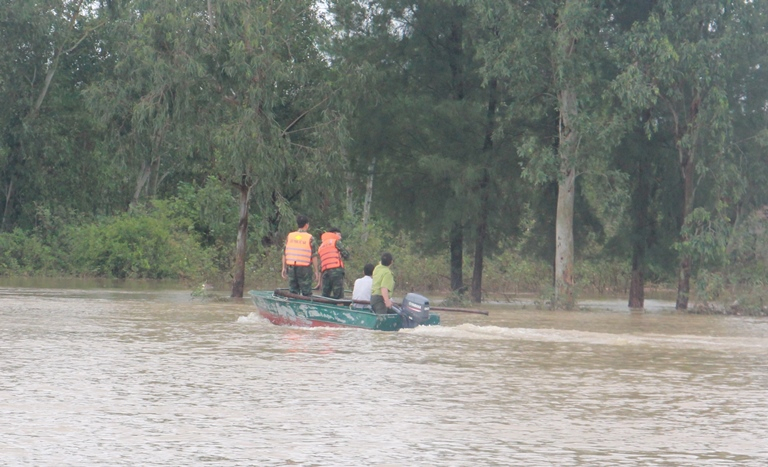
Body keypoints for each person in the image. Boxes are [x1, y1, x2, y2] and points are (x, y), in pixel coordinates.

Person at [281, 214, 320, 296]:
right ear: (306, 225)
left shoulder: (290, 236)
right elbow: (314, 256)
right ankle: (306, 307)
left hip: (291, 267)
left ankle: (293, 307)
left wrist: (283, 268)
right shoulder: (310, 238)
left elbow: (284, 253)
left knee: (293, 292)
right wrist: (316, 271)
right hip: (304, 268)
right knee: (306, 292)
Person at [318, 227, 350, 299]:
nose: (340, 237)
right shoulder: (335, 242)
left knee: (325, 296)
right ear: (334, 234)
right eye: (339, 235)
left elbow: (321, 264)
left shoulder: (321, 246)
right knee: (338, 296)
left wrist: (319, 281)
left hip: (325, 273)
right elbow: (346, 255)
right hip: (336, 271)